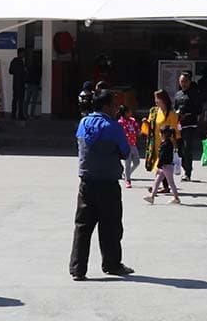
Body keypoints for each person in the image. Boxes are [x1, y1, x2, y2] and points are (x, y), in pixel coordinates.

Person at [70, 90, 135, 280]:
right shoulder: (113, 127)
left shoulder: (83, 123)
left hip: (86, 182)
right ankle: (112, 264)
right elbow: (125, 152)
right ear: (106, 106)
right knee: (111, 226)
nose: (116, 109)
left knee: (82, 227)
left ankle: (77, 268)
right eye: (113, 105)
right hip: (108, 183)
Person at [141, 90, 179, 188]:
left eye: (157, 98)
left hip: (166, 144)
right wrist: (146, 122)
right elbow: (150, 126)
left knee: (161, 164)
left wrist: (175, 146)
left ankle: (156, 186)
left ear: (164, 99)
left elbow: (174, 131)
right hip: (155, 142)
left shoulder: (172, 114)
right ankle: (164, 187)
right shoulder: (154, 111)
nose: (156, 101)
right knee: (160, 165)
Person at [172, 72, 204, 182]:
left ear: (190, 82)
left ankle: (187, 172)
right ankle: (184, 166)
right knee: (179, 149)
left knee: (187, 148)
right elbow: (175, 107)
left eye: (185, 81)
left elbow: (199, 110)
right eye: (181, 81)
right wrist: (176, 114)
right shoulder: (178, 94)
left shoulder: (194, 94)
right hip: (179, 125)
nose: (183, 84)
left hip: (190, 124)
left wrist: (187, 115)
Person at [144, 127, 181, 205]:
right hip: (165, 166)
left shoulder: (165, 144)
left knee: (171, 182)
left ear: (163, 134)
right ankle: (152, 197)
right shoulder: (169, 143)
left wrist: (159, 165)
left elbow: (162, 156)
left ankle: (176, 198)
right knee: (157, 181)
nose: (159, 135)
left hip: (166, 166)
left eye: (160, 133)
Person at [117, 105, 141, 188]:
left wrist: (139, 131)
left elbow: (137, 129)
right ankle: (128, 180)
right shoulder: (120, 122)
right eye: (129, 111)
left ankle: (127, 174)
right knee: (128, 163)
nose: (131, 113)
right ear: (125, 113)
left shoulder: (132, 120)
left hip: (133, 144)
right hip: (126, 145)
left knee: (137, 162)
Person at [9, 48, 29, 121]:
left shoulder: (13, 61)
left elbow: (10, 71)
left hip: (15, 83)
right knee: (20, 100)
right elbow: (22, 73)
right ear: (20, 53)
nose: (24, 55)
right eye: (23, 53)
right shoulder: (20, 62)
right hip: (20, 83)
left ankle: (13, 114)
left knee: (15, 99)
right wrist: (25, 71)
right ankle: (20, 115)